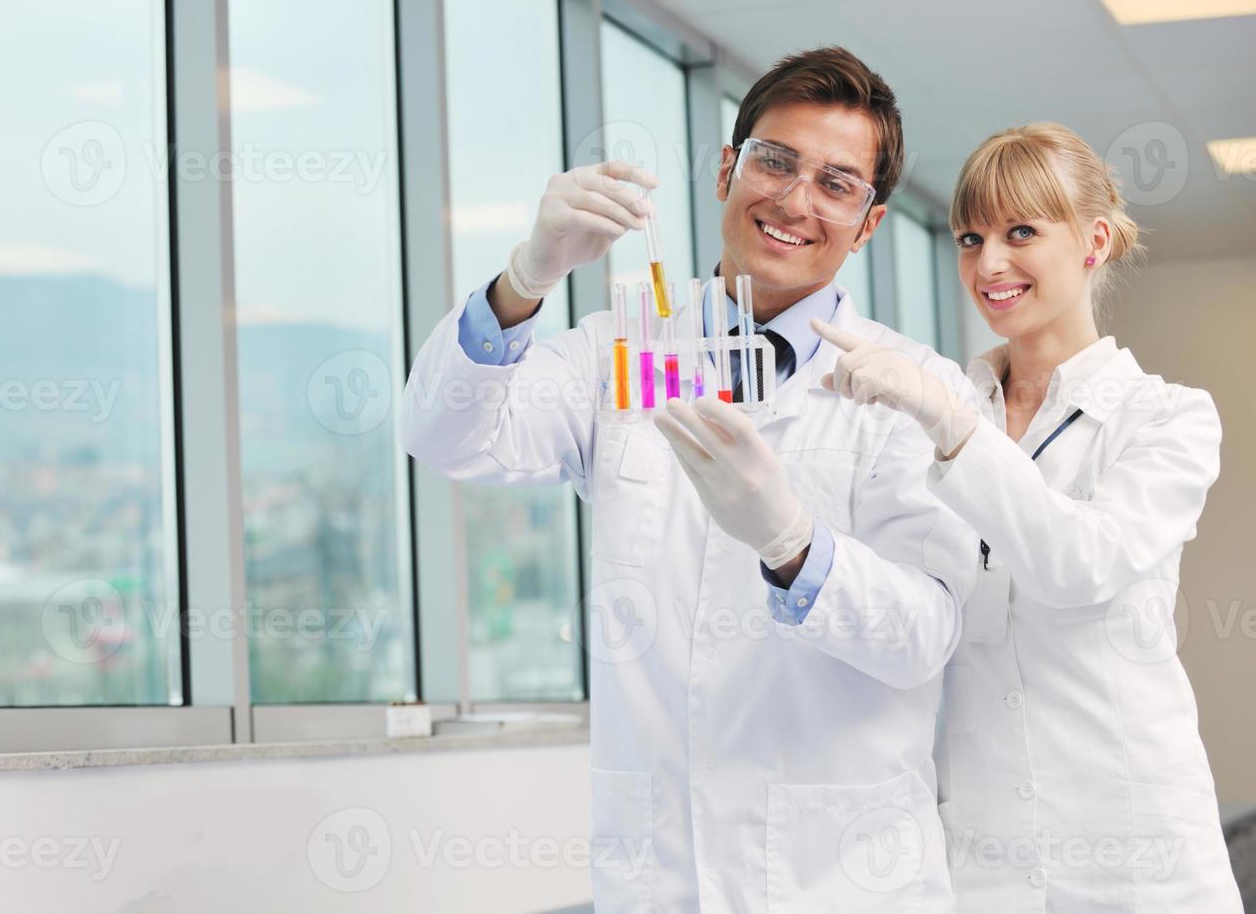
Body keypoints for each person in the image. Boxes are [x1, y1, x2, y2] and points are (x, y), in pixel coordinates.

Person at [400, 46, 977, 912]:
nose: (793, 200)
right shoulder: (620, 352)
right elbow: (443, 436)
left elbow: (923, 636)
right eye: (773, 161)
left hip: (841, 881)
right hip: (658, 873)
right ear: (724, 170)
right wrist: (524, 278)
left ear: (868, 223)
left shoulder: (913, 386)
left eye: (836, 183)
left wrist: (792, 547)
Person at [811, 122, 1242, 911]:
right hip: (984, 860)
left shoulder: (1165, 419)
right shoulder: (935, 407)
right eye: (969, 237)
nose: (989, 263)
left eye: (1020, 232)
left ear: (1093, 241)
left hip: (1136, 858)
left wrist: (950, 426)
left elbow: (1077, 564)